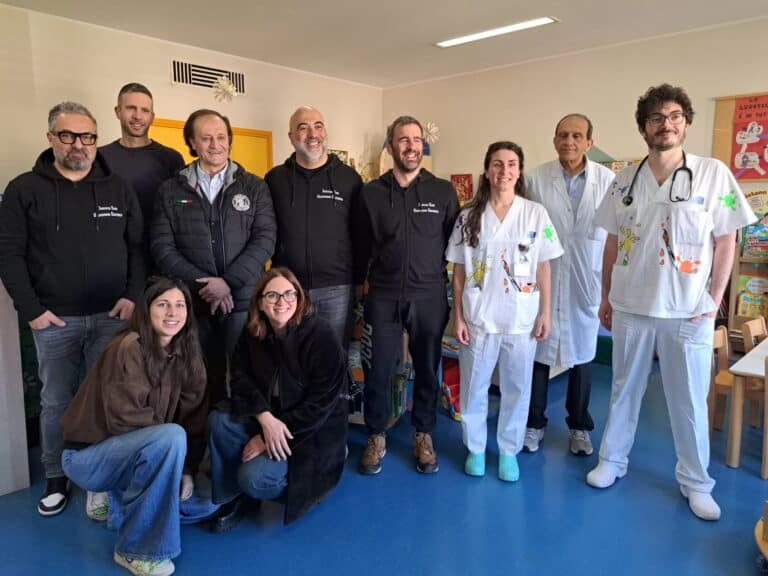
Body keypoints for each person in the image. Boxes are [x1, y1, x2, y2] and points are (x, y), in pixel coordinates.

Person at [587, 84, 755, 521]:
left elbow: (726, 240)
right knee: (624, 390)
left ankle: (696, 482)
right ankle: (612, 461)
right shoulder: (624, 180)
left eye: (675, 116)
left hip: (687, 311)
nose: (666, 124)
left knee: (689, 399)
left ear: (686, 122)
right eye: (657, 117)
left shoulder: (712, 173)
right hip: (631, 306)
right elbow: (610, 242)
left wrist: (714, 299)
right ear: (644, 127)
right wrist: (606, 295)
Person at [0, 101, 144, 516]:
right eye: (68, 135)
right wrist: (31, 309)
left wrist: (132, 295)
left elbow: (137, 248)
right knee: (56, 402)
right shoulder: (24, 189)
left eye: (87, 136)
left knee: (106, 398)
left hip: (111, 316)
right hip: (53, 319)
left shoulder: (118, 189)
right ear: (51, 138)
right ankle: (56, 477)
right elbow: (8, 253)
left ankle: (99, 476)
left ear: (96, 140)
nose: (78, 144)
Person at [60, 277, 212, 576]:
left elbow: (193, 420)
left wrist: (185, 470)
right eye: (163, 304)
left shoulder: (189, 355)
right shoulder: (128, 347)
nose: (173, 312)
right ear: (146, 310)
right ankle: (136, 551)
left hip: (143, 452)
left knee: (207, 505)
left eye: (180, 305)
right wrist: (171, 453)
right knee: (170, 437)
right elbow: (124, 419)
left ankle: (119, 508)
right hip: (88, 458)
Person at [446, 141, 562, 480]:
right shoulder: (468, 217)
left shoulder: (535, 214)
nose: (504, 171)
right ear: (487, 170)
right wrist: (458, 316)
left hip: (520, 319)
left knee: (517, 389)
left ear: (519, 171)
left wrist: (545, 313)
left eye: (511, 164)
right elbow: (459, 271)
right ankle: (476, 448)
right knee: (474, 388)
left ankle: (509, 450)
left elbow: (544, 266)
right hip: (479, 319)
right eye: (497, 164)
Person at [353, 115, 460, 475]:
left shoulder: (442, 192)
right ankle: (376, 434)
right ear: (390, 146)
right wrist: (360, 287)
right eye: (403, 140)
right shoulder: (371, 193)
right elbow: (360, 245)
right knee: (378, 369)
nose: (411, 146)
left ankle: (423, 433)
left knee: (428, 369)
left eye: (416, 140)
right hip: (382, 295)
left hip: (429, 295)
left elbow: (455, 244)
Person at [151, 109, 276, 407]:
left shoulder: (254, 186)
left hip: (243, 301)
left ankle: (251, 433)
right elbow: (162, 247)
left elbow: (265, 239)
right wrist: (207, 287)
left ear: (230, 140)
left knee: (251, 377)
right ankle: (205, 435)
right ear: (192, 143)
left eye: (221, 137)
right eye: (206, 138)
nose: (215, 144)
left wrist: (228, 283)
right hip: (194, 305)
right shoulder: (170, 190)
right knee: (199, 382)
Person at [207, 267, 348, 529]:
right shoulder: (253, 332)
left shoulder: (321, 335)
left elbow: (321, 405)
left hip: (310, 430)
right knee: (219, 421)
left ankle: (298, 486)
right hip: (269, 417)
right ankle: (232, 496)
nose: (282, 302)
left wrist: (266, 438)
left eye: (289, 294)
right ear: (260, 302)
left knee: (253, 478)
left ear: (299, 298)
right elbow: (239, 377)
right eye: (272, 295)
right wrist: (265, 420)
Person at [523, 114, 615, 456]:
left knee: (582, 356)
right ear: (554, 140)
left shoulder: (608, 181)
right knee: (539, 353)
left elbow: (615, 236)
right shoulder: (535, 179)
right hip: (545, 276)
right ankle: (533, 424)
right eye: (563, 135)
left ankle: (579, 426)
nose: (569, 141)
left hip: (586, 278)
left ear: (590, 142)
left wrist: (610, 292)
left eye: (577, 135)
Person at [265, 106, 362, 348]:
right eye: (303, 127)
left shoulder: (349, 179)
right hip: (288, 289)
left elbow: (361, 234)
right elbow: (264, 232)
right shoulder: (275, 179)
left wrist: (360, 281)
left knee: (333, 357)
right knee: (289, 356)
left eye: (318, 126)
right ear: (291, 137)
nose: (312, 134)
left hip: (336, 288)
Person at [99, 82, 185, 268]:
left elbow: (181, 208)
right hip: (113, 257)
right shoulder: (99, 158)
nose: (138, 116)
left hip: (160, 258)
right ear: (117, 111)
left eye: (145, 110)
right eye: (131, 108)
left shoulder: (171, 159)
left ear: (152, 116)